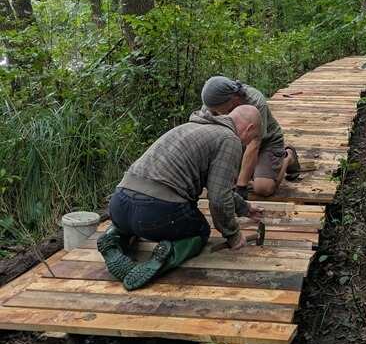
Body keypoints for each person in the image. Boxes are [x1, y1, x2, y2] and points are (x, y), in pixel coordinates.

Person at [97, 104, 265, 291]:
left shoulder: (191, 127)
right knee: (200, 230)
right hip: (154, 214)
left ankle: (113, 239)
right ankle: (161, 260)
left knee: (131, 222)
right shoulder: (229, 139)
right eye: (252, 137)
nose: (249, 143)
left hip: (119, 205)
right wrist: (233, 235)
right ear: (249, 128)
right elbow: (219, 197)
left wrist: (244, 207)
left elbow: (218, 187)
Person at [199, 76, 301, 198]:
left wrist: (241, 186)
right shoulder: (211, 107)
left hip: (267, 141)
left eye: (215, 108)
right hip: (239, 142)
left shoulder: (255, 101)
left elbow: (254, 146)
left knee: (262, 188)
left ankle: (288, 156)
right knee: (228, 181)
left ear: (229, 99)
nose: (212, 111)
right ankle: (256, 169)